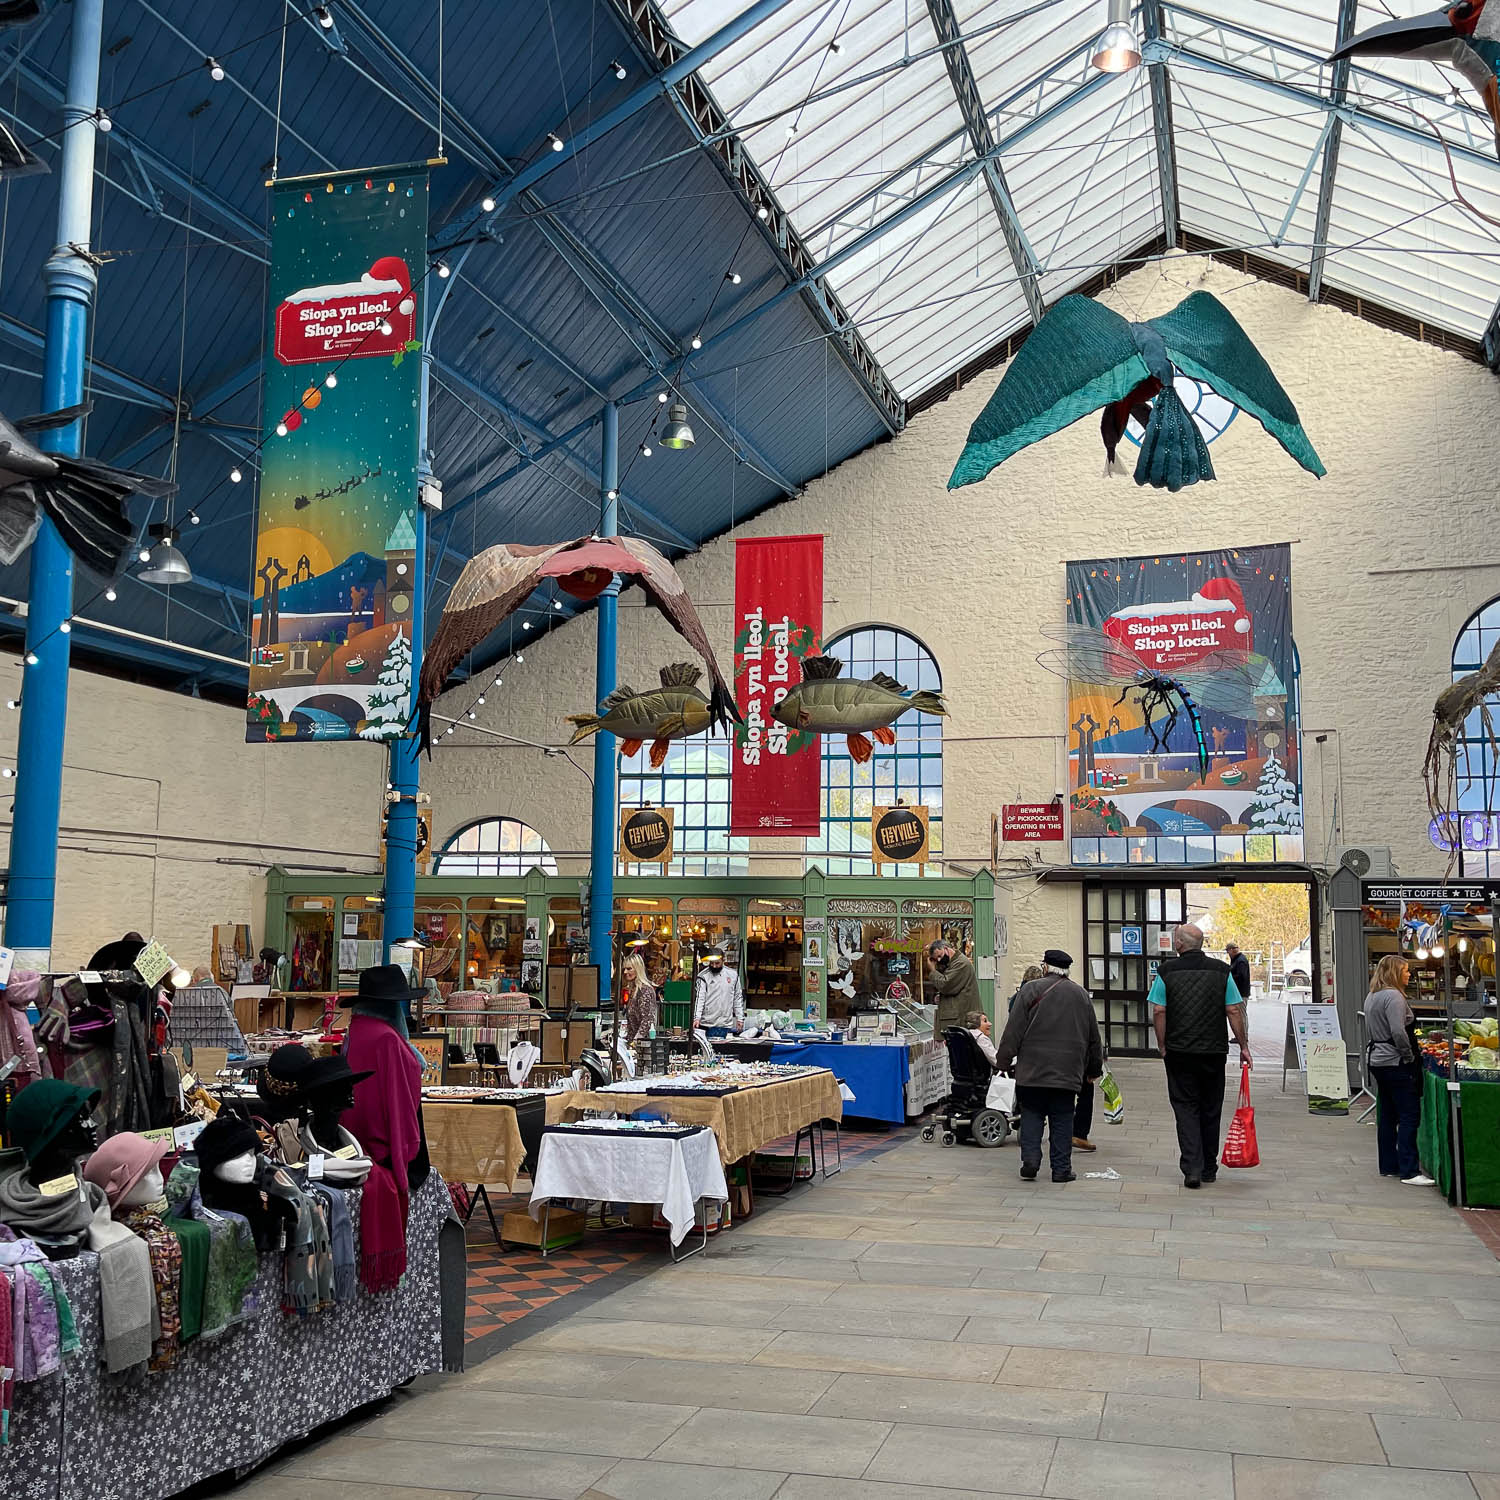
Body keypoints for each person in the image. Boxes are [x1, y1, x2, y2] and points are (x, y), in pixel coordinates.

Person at [1150, 922, 1252, 1188]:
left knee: (1185, 1108)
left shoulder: (1166, 971)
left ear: (1180, 945)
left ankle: (1191, 1168)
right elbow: (1233, 1009)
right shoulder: (1222, 971)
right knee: (1210, 1108)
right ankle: (1209, 1166)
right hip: (1213, 1050)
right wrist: (1243, 1045)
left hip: (1179, 1051)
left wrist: (1162, 1045)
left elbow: (1159, 1011)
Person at [995, 949, 1103, 1184]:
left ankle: (1031, 1161)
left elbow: (1013, 1031)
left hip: (1032, 1071)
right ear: (1067, 970)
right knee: (1063, 1117)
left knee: (1032, 1114)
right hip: (1067, 1072)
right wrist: (1094, 1070)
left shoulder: (1029, 990)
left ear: (1045, 967)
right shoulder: (1081, 995)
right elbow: (1094, 1037)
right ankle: (1061, 1169)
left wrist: (1002, 1061)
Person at [1366, 955, 1433, 1185]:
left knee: (1387, 1114)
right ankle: (1409, 1170)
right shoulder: (1394, 997)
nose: (1409, 974)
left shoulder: (1372, 995)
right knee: (1408, 1114)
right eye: (1405, 970)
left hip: (1378, 1060)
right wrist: (1408, 1056)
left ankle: (1389, 1165)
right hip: (1394, 1061)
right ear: (1395, 972)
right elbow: (1398, 1031)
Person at [928, 938, 980, 1035]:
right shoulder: (952, 964)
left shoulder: (961, 963)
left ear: (946, 949)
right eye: (936, 959)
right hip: (958, 1018)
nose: (939, 960)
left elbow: (946, 985)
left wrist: (933, 971)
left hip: (961, 1019)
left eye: (940, 956)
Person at [693, 947, 745, 1036]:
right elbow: (699, 998)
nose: (714, 966)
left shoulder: (733, 975)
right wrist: (696, 1018)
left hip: (726, 1024)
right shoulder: (703, 976)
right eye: (712, 963)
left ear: (723, 960)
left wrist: (740, 1018)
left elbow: (737, 998)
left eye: (717, 963)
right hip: (707, 1023)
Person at [624, 951, 660, 1044]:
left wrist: (636, 1041)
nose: (625, 972)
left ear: (637, 969)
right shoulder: (634, 990)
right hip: (634, 1043)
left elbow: (647, 1020)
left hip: (643, 1045)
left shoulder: (644, 990)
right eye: (624, 969)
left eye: (629, 969)